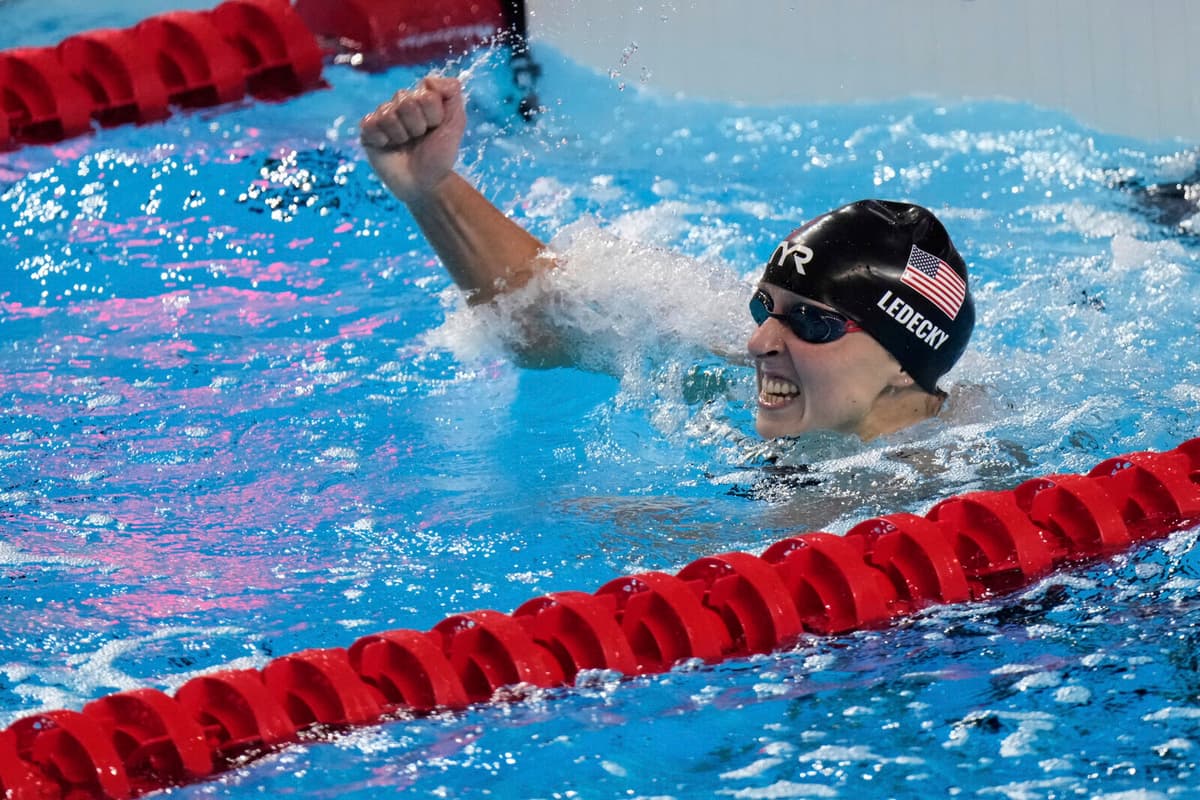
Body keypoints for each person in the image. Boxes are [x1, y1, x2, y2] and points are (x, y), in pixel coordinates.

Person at [360, 75, 975, 442]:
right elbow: (533, 318)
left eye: (812, 322)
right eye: (766, 307)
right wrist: (431, 188)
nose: (760, 341)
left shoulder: (961, 477)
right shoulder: (731, 372)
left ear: (905, 361)